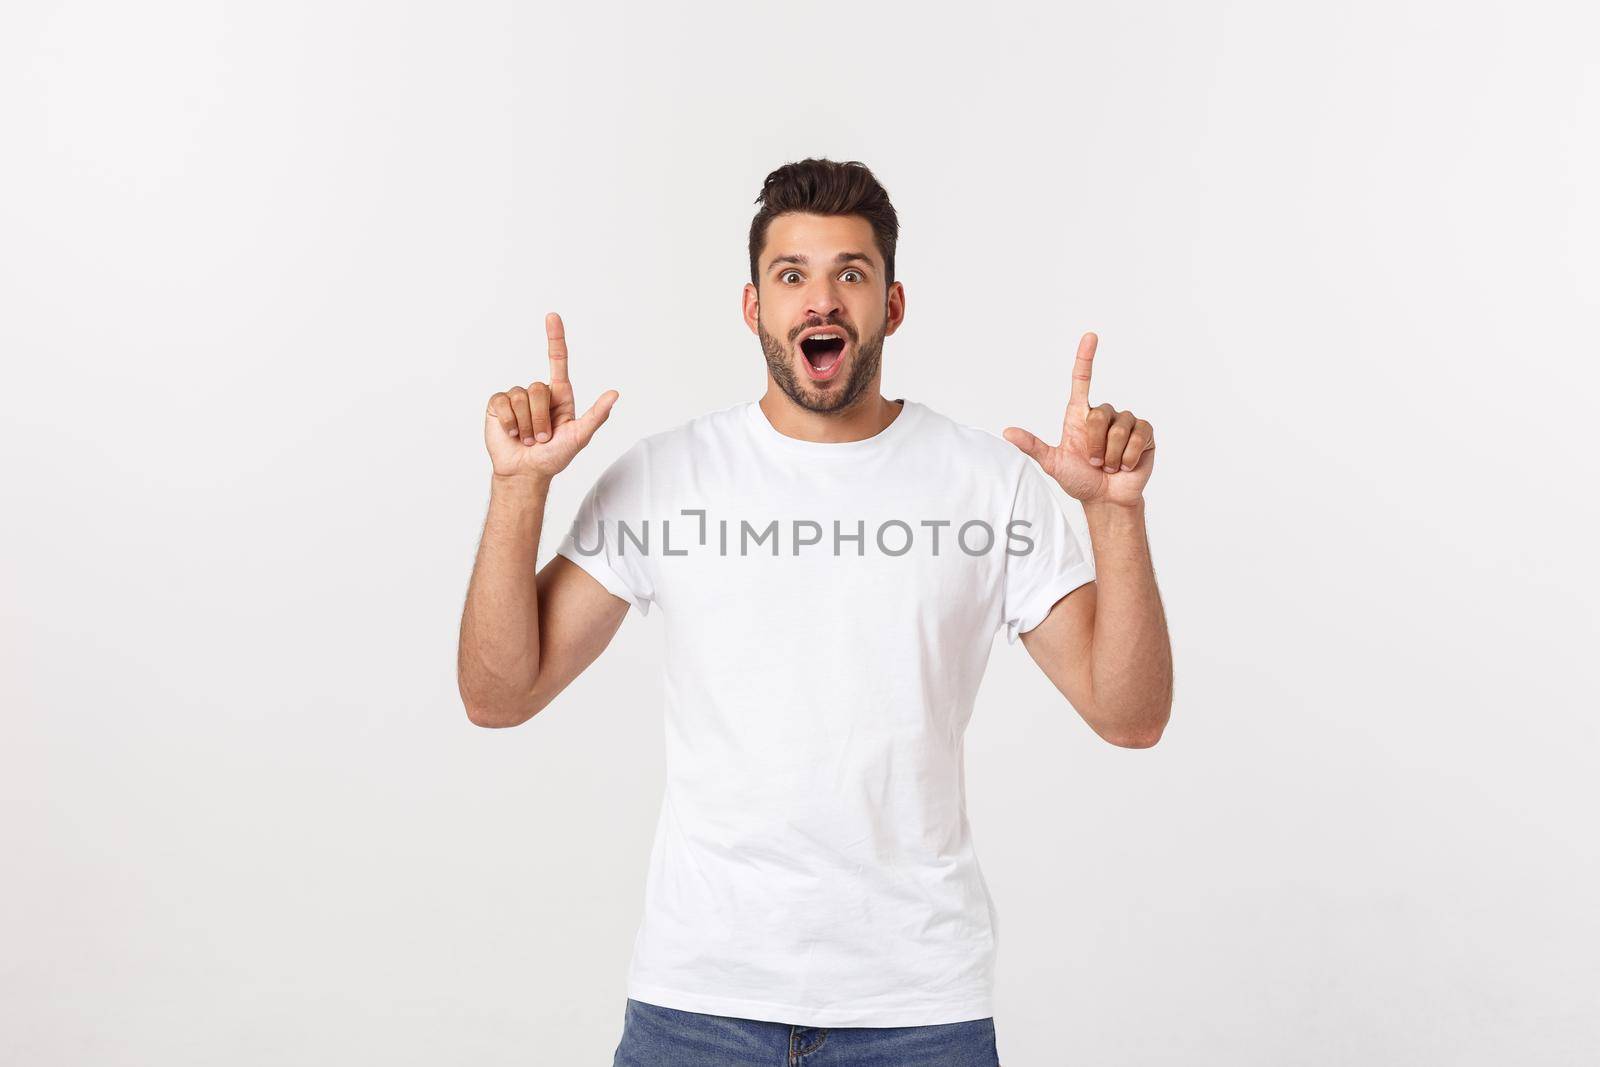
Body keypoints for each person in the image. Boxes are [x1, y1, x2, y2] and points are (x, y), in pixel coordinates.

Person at [457, 158, 1173, 1066]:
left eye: (851, 273)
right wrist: (518, 489)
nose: (821, 301)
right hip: (697, 1004)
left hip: (919, 1008)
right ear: (754, 307)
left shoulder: (988, 485)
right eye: (792, 275)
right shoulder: (664, 478)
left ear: (894, 304)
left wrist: (1115, 514)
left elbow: (1132, 714)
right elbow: (498, 693)